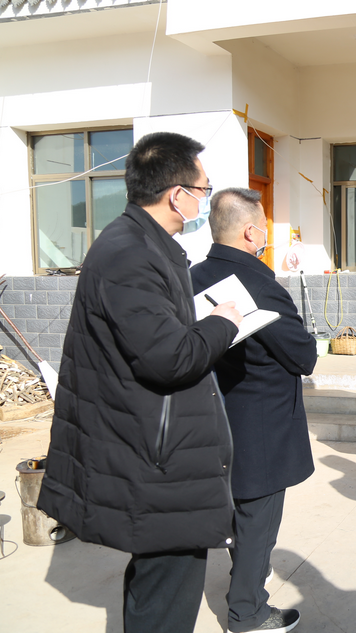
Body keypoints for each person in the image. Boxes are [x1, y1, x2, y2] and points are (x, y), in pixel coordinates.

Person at [37, 132, 243, 633]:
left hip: (155, 446)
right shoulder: (130, 253)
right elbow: (170, 359)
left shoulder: (142, 244)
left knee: (159, 584)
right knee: (167, 594)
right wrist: (223, 323)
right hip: (155, 457)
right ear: (177, 195)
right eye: (203, 189)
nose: (204, 199)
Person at [191, 188, 317, 633]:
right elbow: (303, 356)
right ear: (250, 232)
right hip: (261, 426)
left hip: (211, 420)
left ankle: (246, 582)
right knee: (257, 522)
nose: (265, 235)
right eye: (263, 227)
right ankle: (247, 613)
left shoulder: (191, 277)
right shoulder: (259, 285)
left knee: (235, 515)